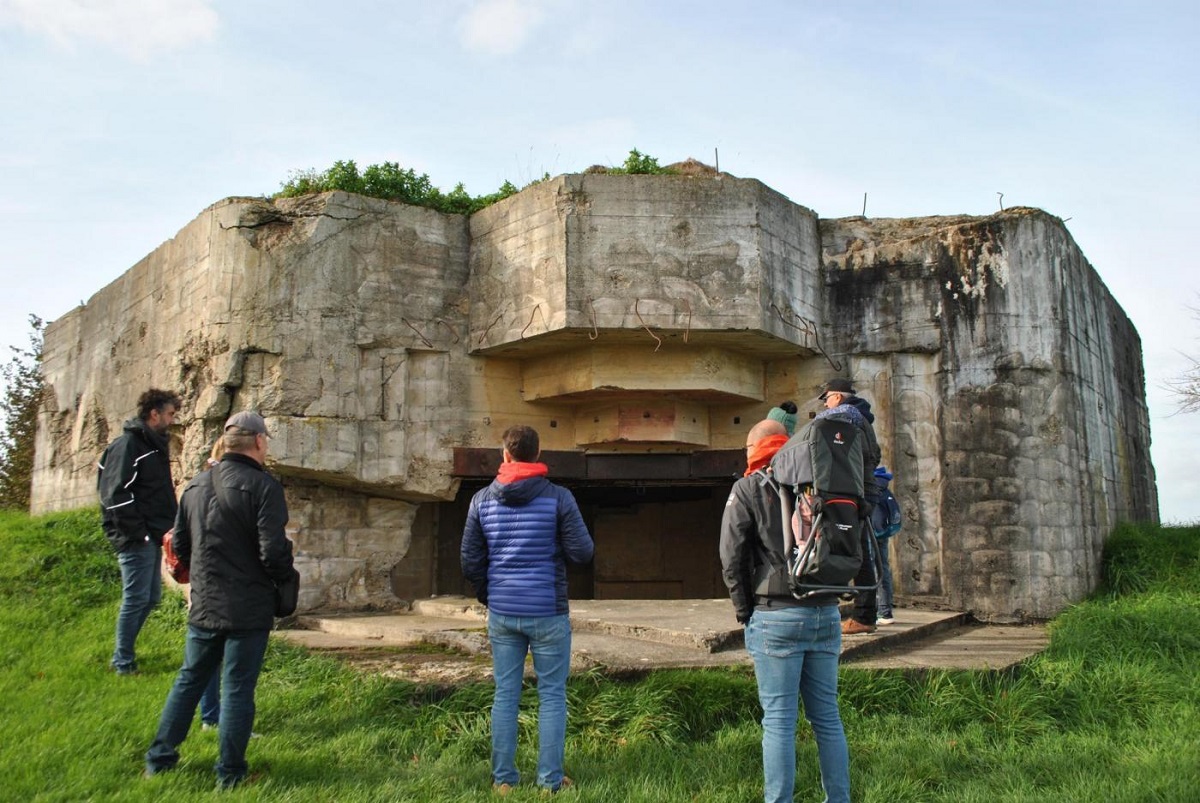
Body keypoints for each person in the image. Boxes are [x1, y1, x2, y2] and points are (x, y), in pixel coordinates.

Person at [144, 411, 296, 789]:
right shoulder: (264, 488)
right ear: (259, 442)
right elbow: (273, 552)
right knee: (239, 688)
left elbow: (179, 546)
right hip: (247, 606)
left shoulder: (195, 486)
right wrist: (284, 581)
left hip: (205, 604)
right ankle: (230, 775)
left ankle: (159, 760)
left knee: (189, 680)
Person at [720, 418, 850, 803]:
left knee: (778, 721)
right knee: (827, 718)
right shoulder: (819, 482)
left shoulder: (748, 487)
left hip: (774, 614)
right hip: (825, 611)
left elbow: (731, 556)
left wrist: (745, 611)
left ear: (754, 449)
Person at [460, 425, 594, 795]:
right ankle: (549, 781)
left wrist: (491, 595)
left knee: (506, 693)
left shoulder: (481, 500)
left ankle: (503, 781)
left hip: (503, 613)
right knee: (551, 694)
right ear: (538, 456)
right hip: (548, 611)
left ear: (505, 455)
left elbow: (470, 560)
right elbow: (583, 552)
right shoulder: (560, 499)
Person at [98, 388, 182, 675]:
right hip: (136, 537)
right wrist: (139, 534)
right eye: (170, 414)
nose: (172, 420)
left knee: (150, 598)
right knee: (136, 598)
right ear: (154, 413)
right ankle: (123, 662)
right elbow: (115, 495)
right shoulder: (129, 445)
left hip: (150, 535)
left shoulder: (153, 446)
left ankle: (124, 655)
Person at [816, 378, 882, 636]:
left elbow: (819, 442)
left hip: (849, 493)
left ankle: (862, 615)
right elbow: (874, 456)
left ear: (838, 397)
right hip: (863, 491)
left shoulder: (842, 415)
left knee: (848, 551)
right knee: (861, 550)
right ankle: (865, 613)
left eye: (826, 398)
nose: (825, 404)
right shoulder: (862, 418)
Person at [870, 466, 901, 625]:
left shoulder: (869, 483)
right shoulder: (883, 485)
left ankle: (873, 611)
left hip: (870, 532)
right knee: (883, 569)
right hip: (882, 532)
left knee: (869, 571)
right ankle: (885, 612)